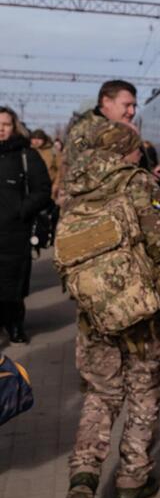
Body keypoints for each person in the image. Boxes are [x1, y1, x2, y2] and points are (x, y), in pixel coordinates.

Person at [60, 120, 160, 498]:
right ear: (127, 150)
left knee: (101, 393)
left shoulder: (72, 187)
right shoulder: (138, 182)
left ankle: (84, 477)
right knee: (143, 392)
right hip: (140, 309)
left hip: (93, 311)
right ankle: (131, 480)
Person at [59, 80, 160, 204]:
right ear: (106, 102)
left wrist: (150, 176)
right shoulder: (85, 131)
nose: (132, 112)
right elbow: (82, 174)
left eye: (134, 106)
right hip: (93, 211)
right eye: (126, 105)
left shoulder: (124, 130)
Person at [0, 107, 53, 344]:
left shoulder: (26, 155)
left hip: (15, 232)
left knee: (14, 283)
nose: (1, 129)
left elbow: (43, 190)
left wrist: (20, 211)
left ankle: (15, 324)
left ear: (14, 126)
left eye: (6, 124)